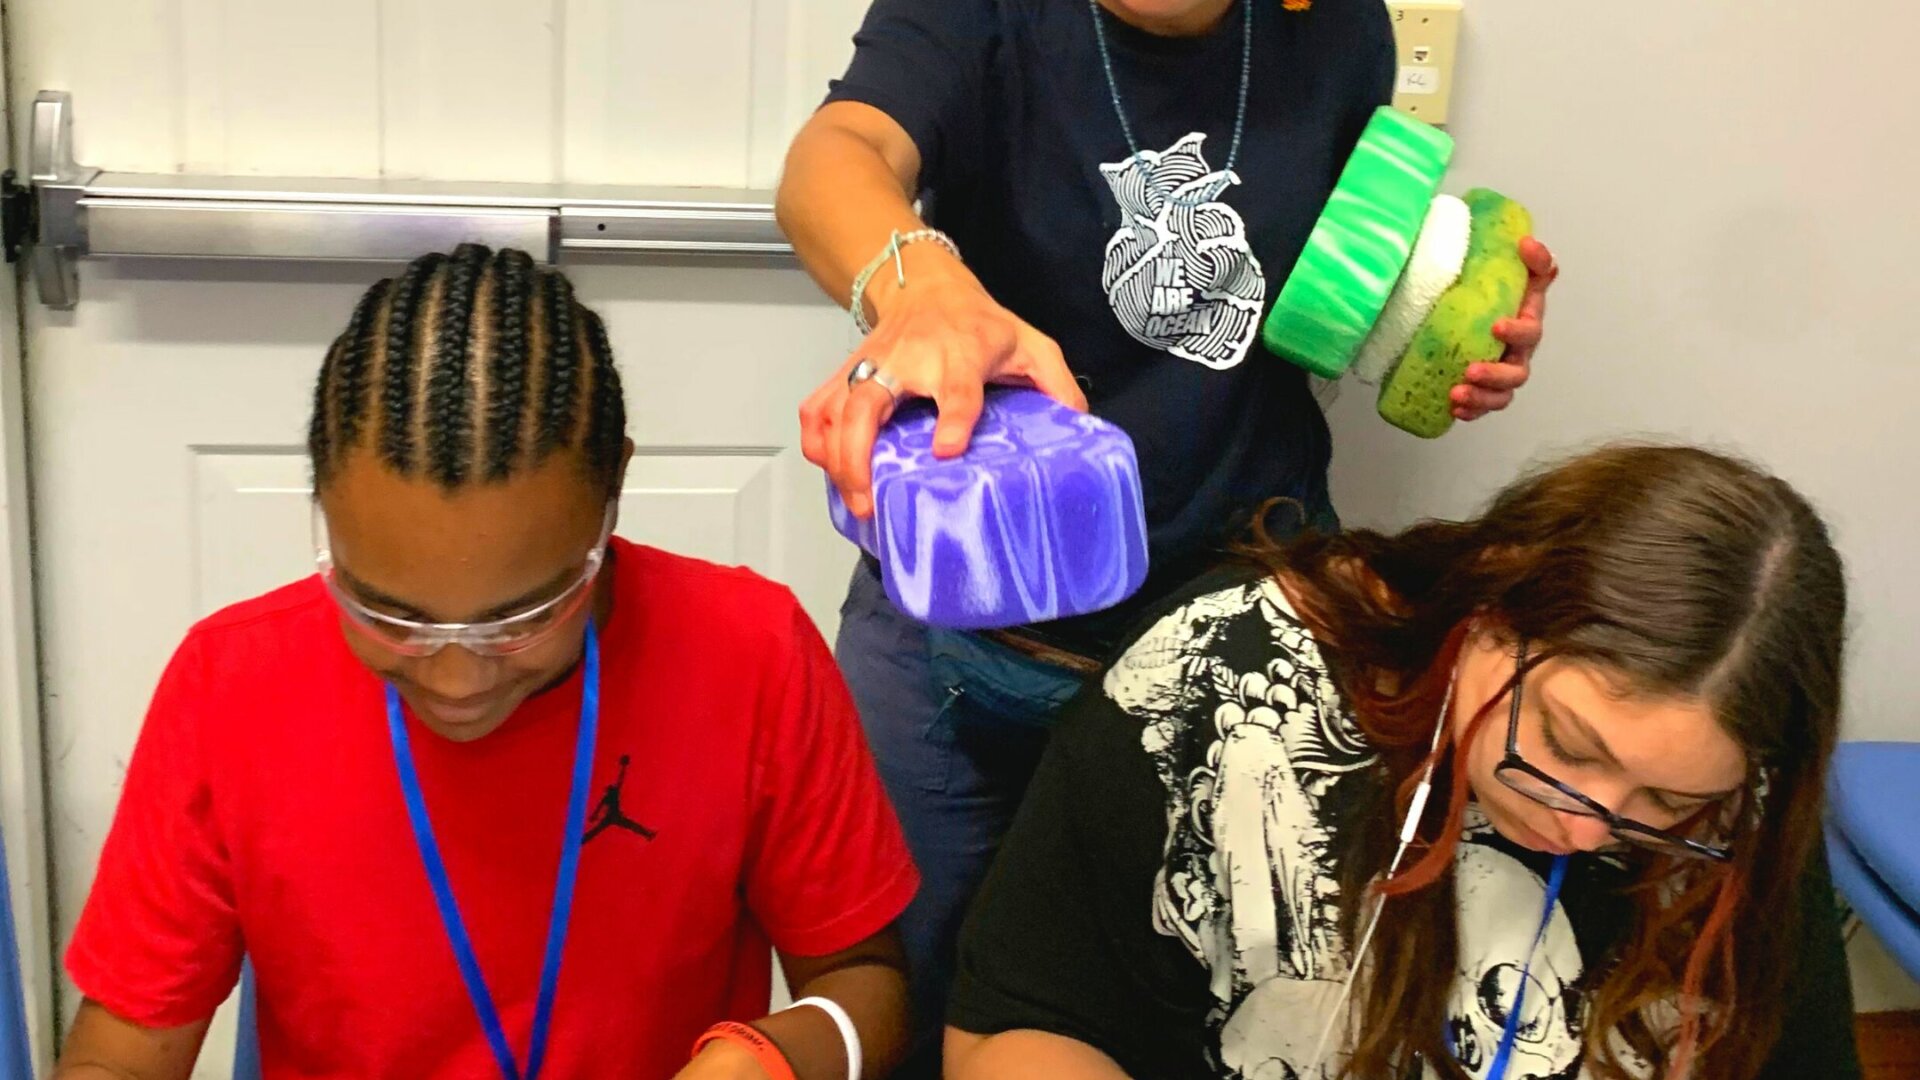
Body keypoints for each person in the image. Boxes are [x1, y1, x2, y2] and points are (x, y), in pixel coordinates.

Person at [775, 0, 1558, 1066]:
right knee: (921, 1004)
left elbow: (1325, 299)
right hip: (968, 639)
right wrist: (924, 290)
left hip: (1233, 640)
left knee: (1202, 1014)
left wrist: (1444, 328)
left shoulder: (1340, 28)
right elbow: (836, 155)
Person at [55, 245, 918, 1080]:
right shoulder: (231, 687)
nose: (455, 679)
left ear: (612, 491)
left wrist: (772, 1060)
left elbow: (866, 984)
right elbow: (115, 1058)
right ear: (321, 502)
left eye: (522, 617)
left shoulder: (751, 655)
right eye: (391, 615)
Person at [942, 443, 1860, 1079]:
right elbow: (1015, 1030)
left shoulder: (1738, 809)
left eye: (1662, 799)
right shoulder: (1220, 682)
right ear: (1490, 599)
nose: (1586, 828)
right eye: (1568, 744)